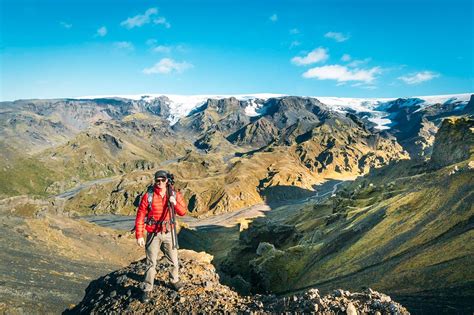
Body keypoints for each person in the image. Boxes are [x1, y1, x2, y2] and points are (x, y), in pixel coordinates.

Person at [134, 170, 187, 303]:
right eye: (158, 180)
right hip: (153, 233)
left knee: (173, 260)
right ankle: (147, 288)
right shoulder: (149, 196)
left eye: (163, 180)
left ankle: (174, 281)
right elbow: (140, 216)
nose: (160, 182)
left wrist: (174, 203)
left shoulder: (174, 194)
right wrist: (139, 235)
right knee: (151, 262)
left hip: (169, 232)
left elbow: (183, 212)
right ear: (155, 181)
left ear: (167, 181)